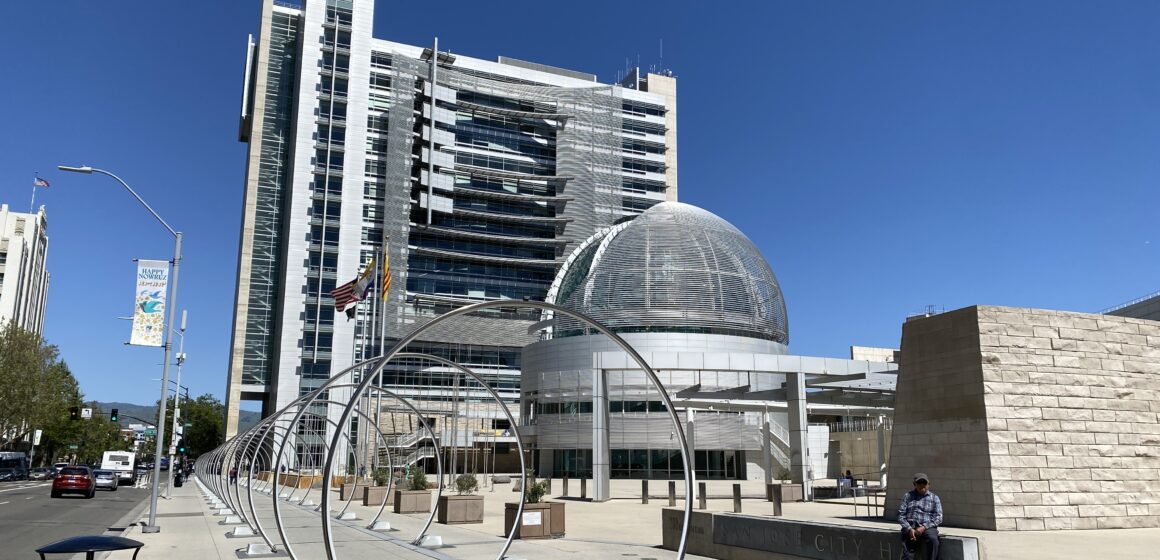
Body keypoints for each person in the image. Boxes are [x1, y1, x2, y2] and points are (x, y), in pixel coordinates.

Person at [898, 472, 942, 560]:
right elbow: (901, 515)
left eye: (924, 483)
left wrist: (924, 527)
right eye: (919, 483)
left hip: (927, 527)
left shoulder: (934, 498)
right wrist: (909, 529)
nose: (922, 485)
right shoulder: (907, 496)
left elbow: (938, 517)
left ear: (928, 484)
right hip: (910, 527)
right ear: (914, 484)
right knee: (908, 555)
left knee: (933, 540)